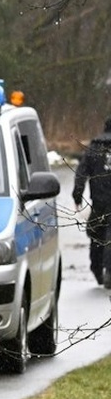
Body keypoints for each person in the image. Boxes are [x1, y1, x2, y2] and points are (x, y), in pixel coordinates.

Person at [73, 116, 111, 287]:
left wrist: (77, 194)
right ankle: (109, 271)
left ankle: (97, 269)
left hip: (99, 202)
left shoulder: (94, 148)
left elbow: (81, 172)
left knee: (97, 235)